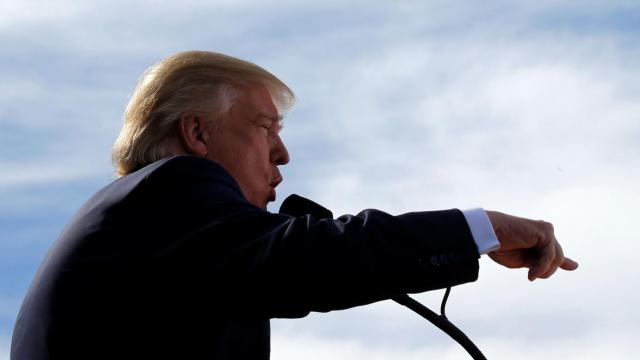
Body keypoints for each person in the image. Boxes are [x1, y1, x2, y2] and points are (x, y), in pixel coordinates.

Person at [11, 51, 578, 359]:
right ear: (197, 135)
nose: (283, 153)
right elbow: (310, 257)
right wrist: (483, 228)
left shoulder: (164, 234)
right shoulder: (174, 187)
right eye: (264, 127)